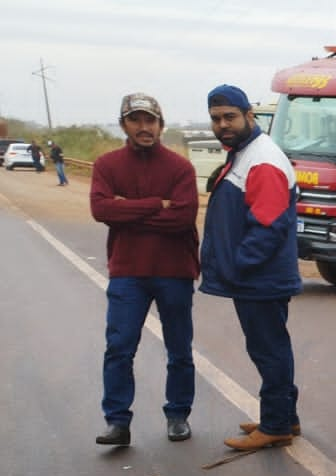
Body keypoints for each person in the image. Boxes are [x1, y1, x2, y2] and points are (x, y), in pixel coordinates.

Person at [90, 92, 200, 447]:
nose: (144, 127)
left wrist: (129, 211)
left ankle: (178, 413)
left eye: (150, 120)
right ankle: (117, 422)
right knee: (119, 347)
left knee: (179, 348)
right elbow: (101, 211)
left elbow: (183, 218)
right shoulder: (107, 165)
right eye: (136, 120)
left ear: (161, 125)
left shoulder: (180, 167)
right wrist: (157, 205)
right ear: (124, 124)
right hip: (128, 271)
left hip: (174, 270)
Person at [200, 85, 303, 450]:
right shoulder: (244, 153)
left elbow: (269, 226)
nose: (222, 124)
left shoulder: (262, 159)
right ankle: (284, 417)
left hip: (261, 278)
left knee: (268, 350)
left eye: (230, 116)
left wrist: (237, 266)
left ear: (249, 116)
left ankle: (275, 424)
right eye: (216, 118)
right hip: (257, 277)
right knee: (273, 347)